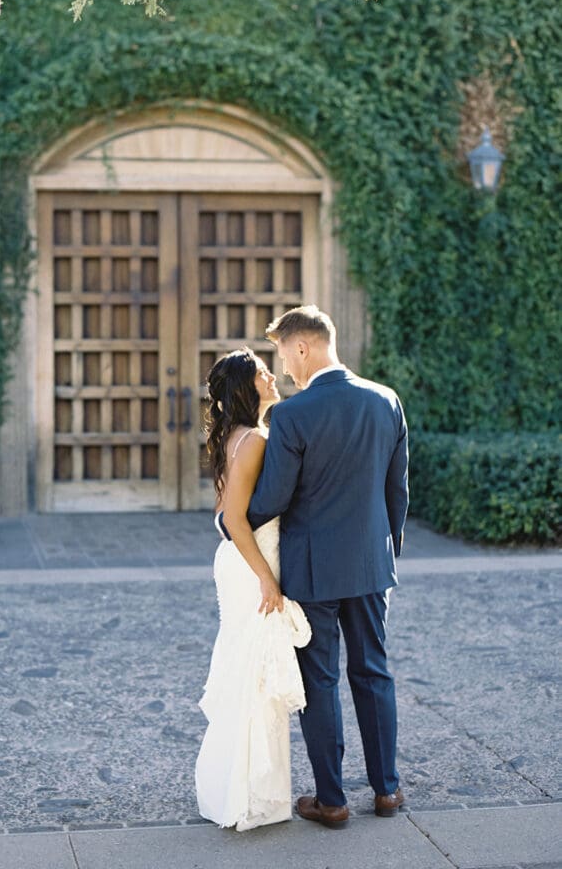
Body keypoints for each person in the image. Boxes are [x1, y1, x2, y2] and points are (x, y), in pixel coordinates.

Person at [235, 304, 409, 829]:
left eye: (283, 353)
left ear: (303, 346)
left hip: (313, 570)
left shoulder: (293, 415)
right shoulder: (386, 401)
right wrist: (386, 553)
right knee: (374, 672)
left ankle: (331, 801)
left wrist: (232, 522)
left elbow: (273, 497)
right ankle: (387, 791)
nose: (284, 366)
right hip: (370, 565)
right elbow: (397, 491)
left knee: (321, 680)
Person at [195, 347, 312, 832]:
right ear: (248, 387)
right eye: (263, 373)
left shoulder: (237, 437)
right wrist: (266, 577)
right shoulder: (256, 441)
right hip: (251, 564)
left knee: (249, 671)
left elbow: (221, 515)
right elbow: (234, 519)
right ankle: (252, 798)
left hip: (240, 561)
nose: (272, 375)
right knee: (255, 677)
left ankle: (239, 790)